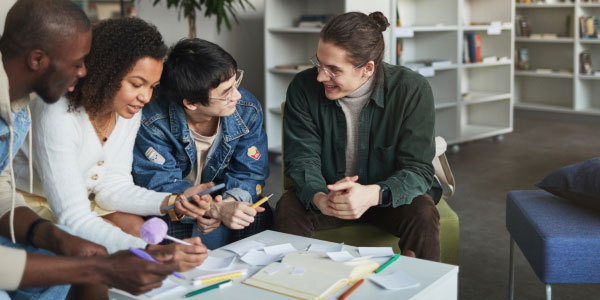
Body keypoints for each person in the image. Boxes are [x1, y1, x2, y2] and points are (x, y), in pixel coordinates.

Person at [12, 15, 210, 286]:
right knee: (113, 244)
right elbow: (71, 216)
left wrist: (172, 202)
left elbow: (113, 186)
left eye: (152, 87)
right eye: (136, 84)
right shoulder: (56, 112)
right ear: (106, 72)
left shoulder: (127, 112)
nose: (146, 97)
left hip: (81, 203)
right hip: (27, 208)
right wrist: (149, 253)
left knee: (135, 227)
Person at [274, 12, 443, 261]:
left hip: (389, 196)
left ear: (368, 69)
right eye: (319, 63)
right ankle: (292, 286)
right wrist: (321, 198)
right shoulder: (303, 87)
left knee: (423, 212)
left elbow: (417, 169)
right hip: (330, 195)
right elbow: (301, 158)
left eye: (333, 70)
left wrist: (373, 194)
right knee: (288, 207)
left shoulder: (411, 89)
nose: (320, 76)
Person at [132, 38, 272, 249]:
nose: (237, 95)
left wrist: (227, 204)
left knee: (258, 214)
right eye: (226, 93)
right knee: (167, 223)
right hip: (179, 199)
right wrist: (209, 210)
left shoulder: (246, 109)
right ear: (191, 103)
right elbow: (160, 186)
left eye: (236, 83)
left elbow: (250, 173)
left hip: (223, 195)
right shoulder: (153, 120)